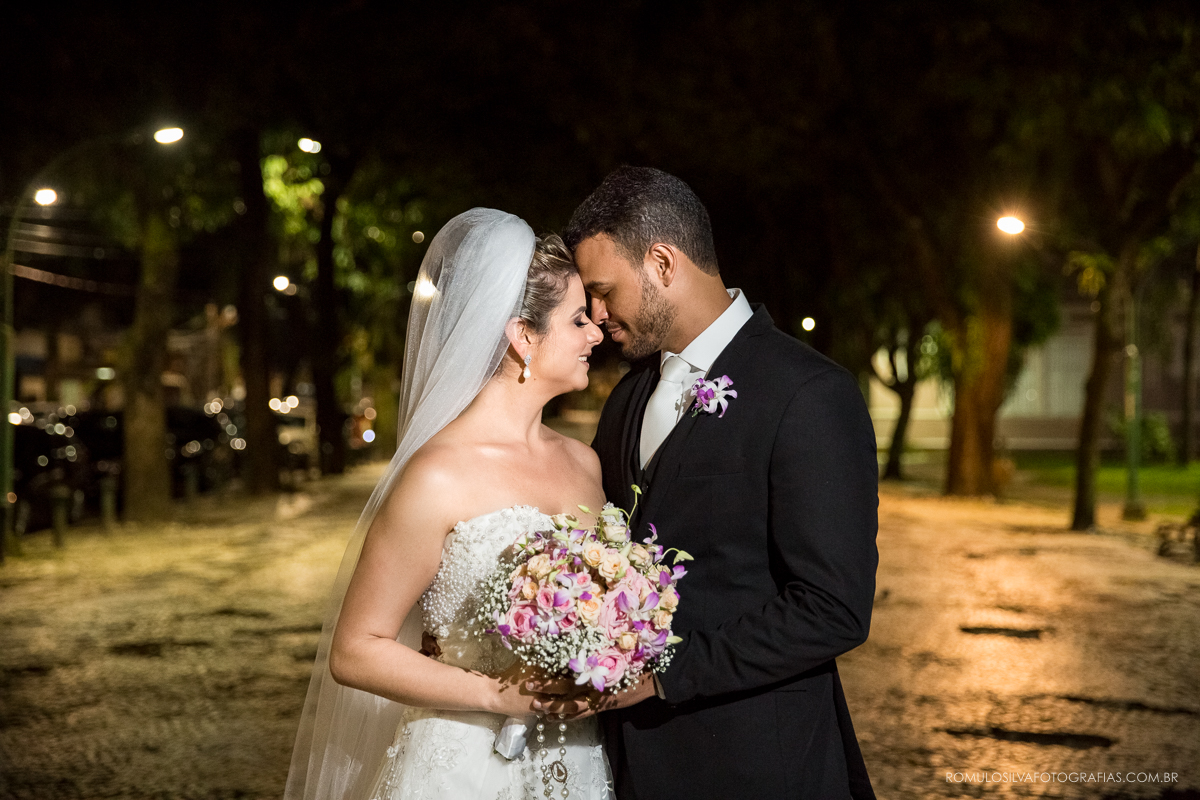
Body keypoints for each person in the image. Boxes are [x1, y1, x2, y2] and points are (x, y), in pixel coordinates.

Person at [550, 167, 879, 799]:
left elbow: (833, 608)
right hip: (630, 766)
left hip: (759, 764)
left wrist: (665, 674)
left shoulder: (808, 393)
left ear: (664, 263)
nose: (595, 316)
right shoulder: (627, 399)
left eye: (603, 290)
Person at [284, 208, 613, 800]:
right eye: (579, 319)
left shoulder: (585, 465)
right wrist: (493, 694)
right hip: (464, 764)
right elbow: (356, 651)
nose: (597, 334)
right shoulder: (437, 475)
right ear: (523, 336)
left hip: (577, 757)